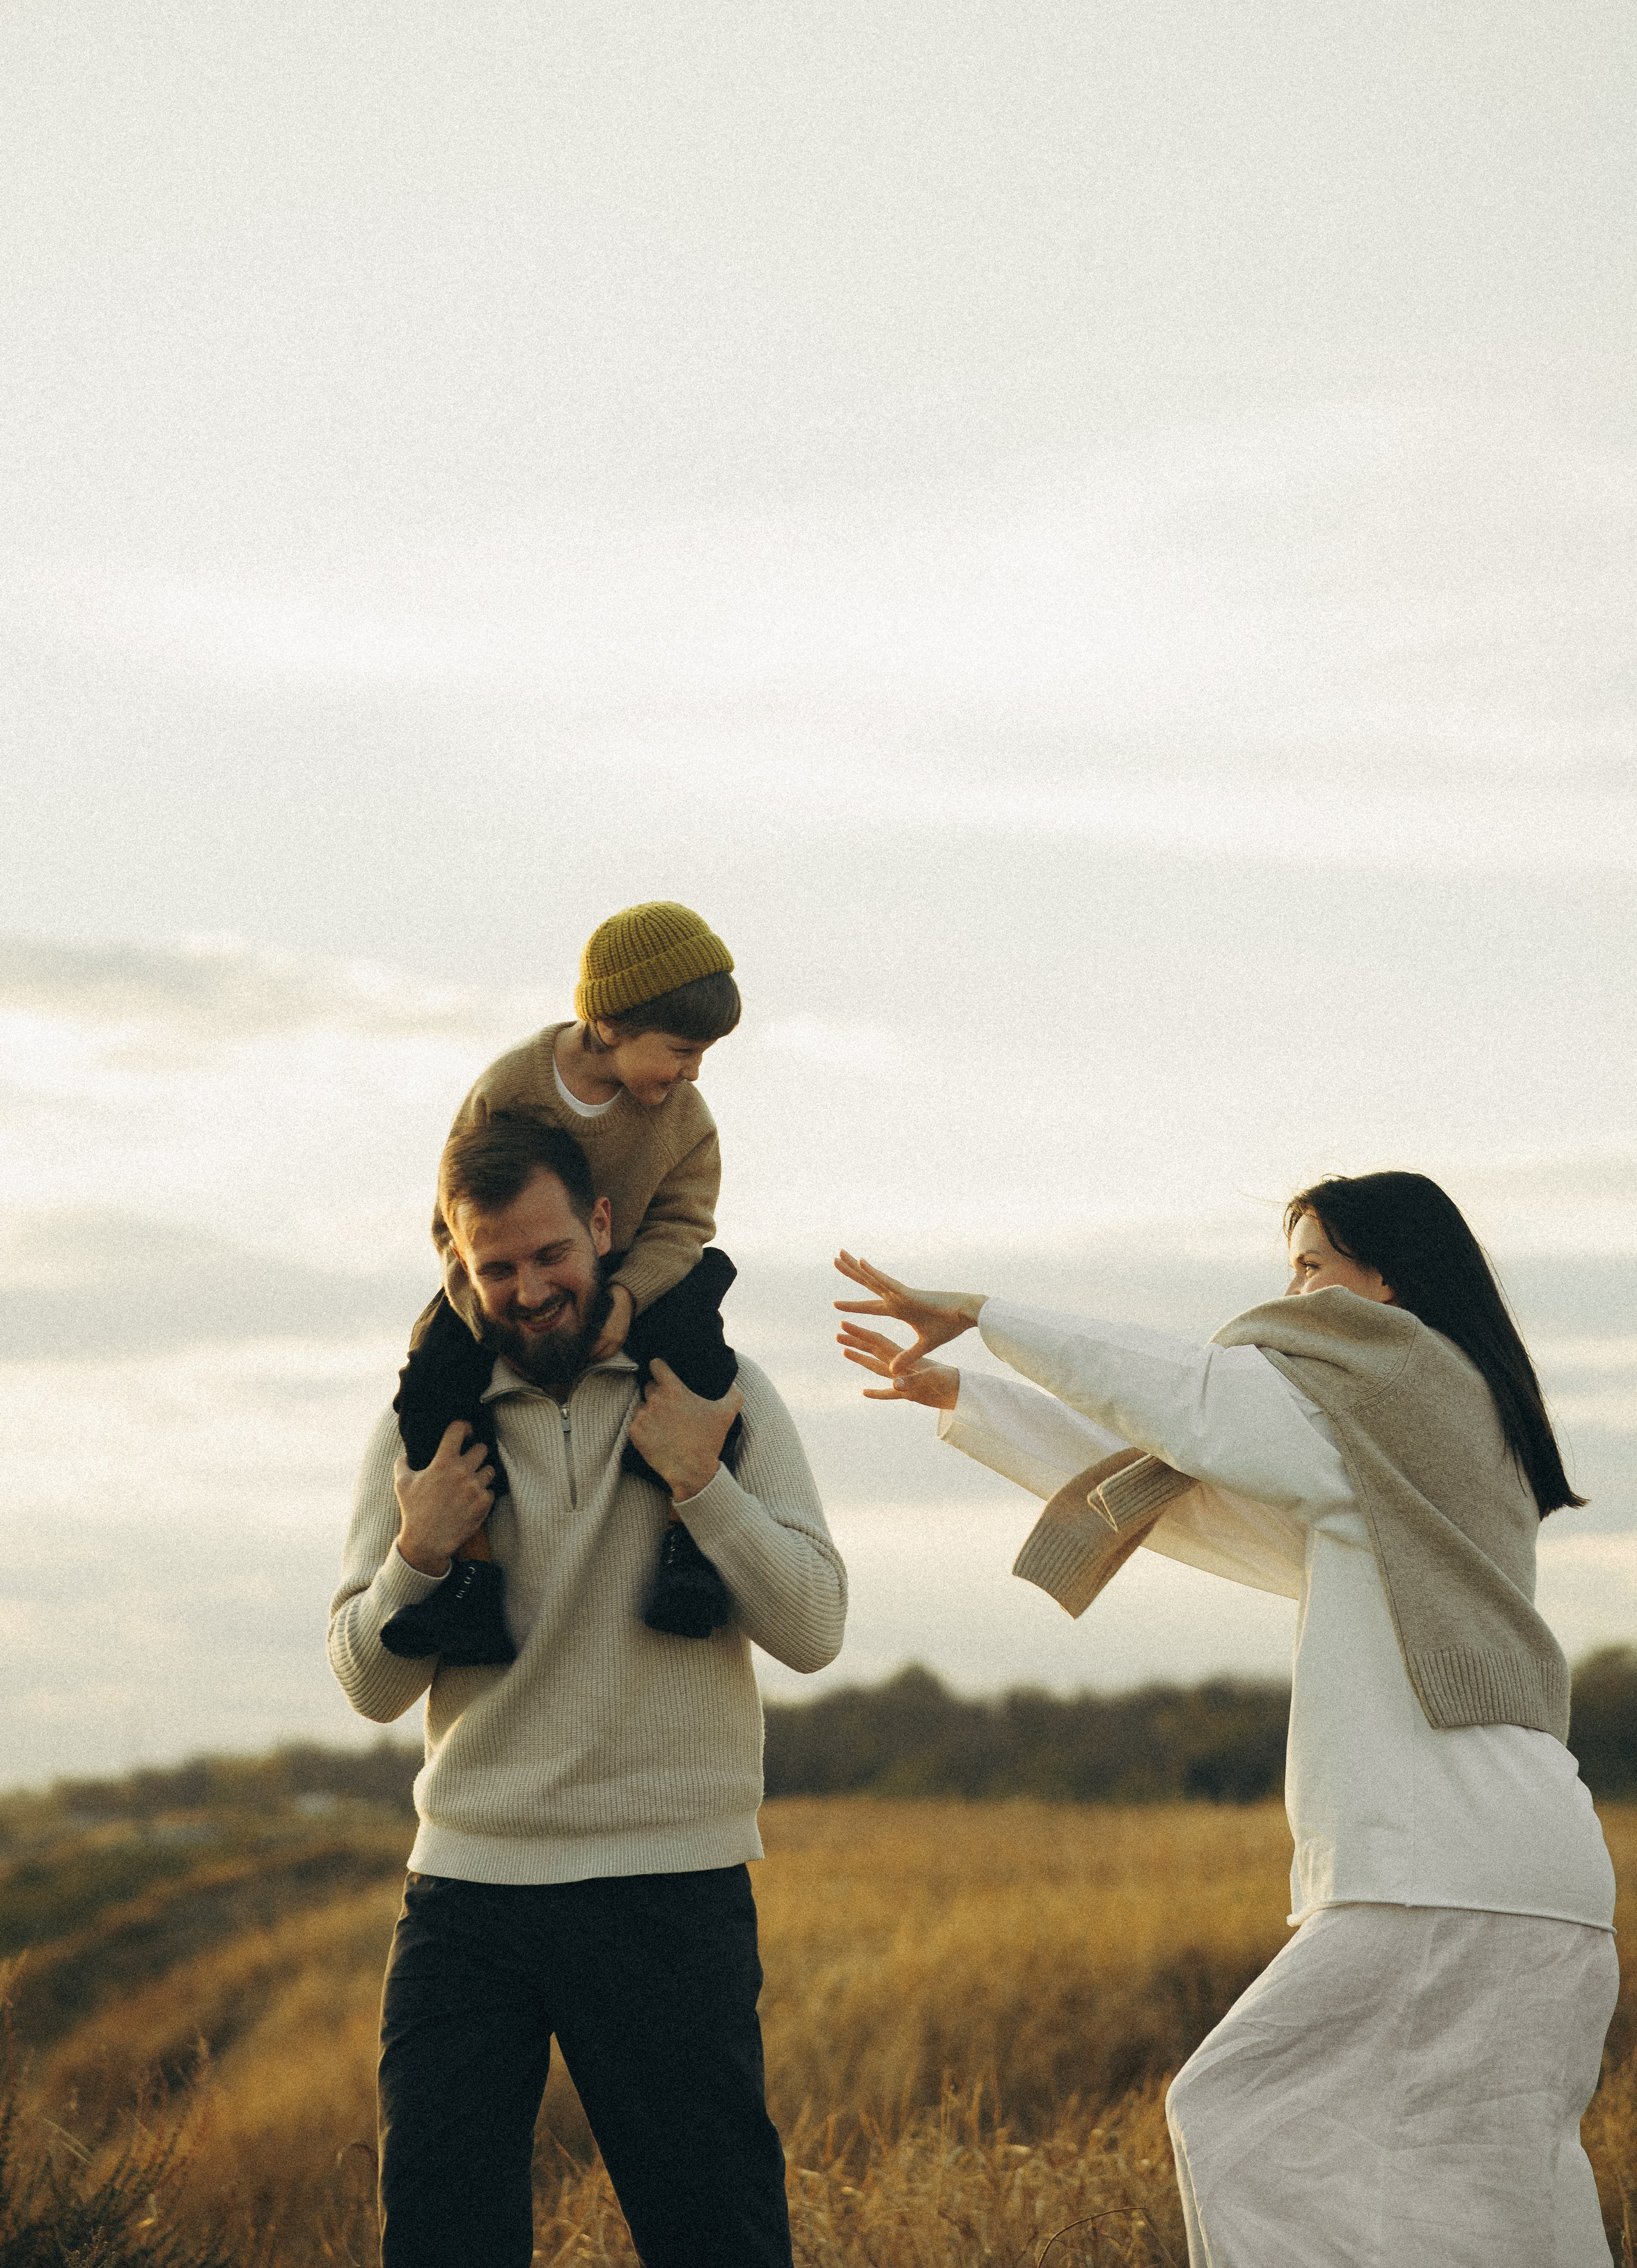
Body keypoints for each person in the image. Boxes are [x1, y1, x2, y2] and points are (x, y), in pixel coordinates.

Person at [833, 1171, 1617, 2268]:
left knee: (1238, 2116)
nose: (1290, 1294)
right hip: (1536, 1877)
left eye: (1309, 1266)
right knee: (1488, 2191)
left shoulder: (1398, 1381)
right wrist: (972, 1398)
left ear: (1381, 1284)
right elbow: (1194, 1497)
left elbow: (1197, 1401)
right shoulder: (1431, 1437)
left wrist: (987, 1315)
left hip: (1439, 1870)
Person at [331, 1113, 846, 2268]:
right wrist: (417, 1555)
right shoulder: (424, 1427)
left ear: (603, 1227)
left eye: (550, 1254)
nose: (529, 1289)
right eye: (495, 1267)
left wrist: (703, 1483)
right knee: (439, 2242)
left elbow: (814, 1626)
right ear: (459, 1264)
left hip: (668, 1887)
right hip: (467, 1894)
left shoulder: (720, 1390)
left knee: (718, 2242)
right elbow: (365, 1683)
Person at [386, 900, 746, 1666]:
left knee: (703, 1358)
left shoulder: (686, 1119)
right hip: (516, 1279)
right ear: (612, 1025)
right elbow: (458, 1215)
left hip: (643, 1269)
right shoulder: (511, 1087)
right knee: (432, 1380)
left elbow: (685, 1223)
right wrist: (489, 1323)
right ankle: (472, 1574)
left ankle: (692, 1551)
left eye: (703, 1055)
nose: (691, 1071)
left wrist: (627, 1295)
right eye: (681, 1049)